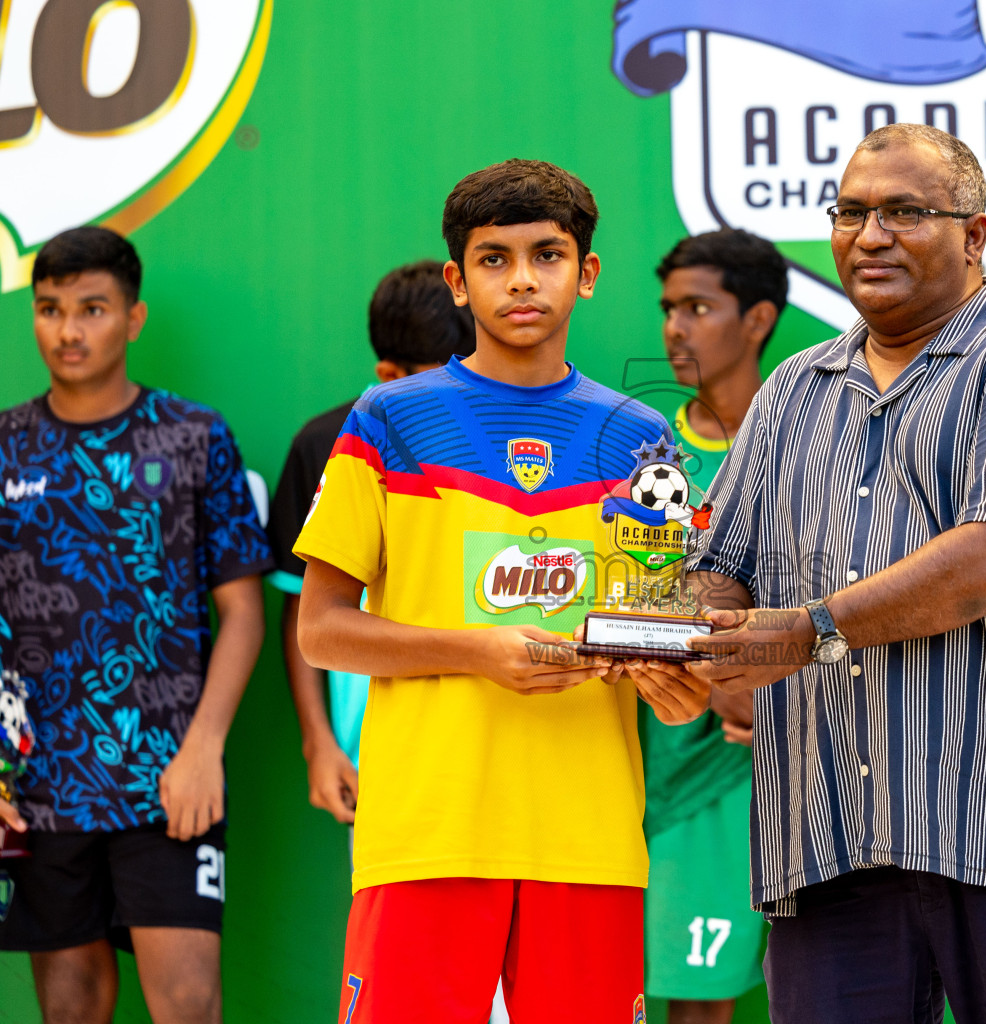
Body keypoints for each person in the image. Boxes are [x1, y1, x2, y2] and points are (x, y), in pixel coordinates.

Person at [674, 123, 986, 1022]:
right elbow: (715, 568)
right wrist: (693, 645)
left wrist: (804, 631)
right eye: (850, 212)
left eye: (904, 212)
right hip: (827, 846)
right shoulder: (795, 389)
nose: (869, 235)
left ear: (975, 234)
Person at [293, 159, 710, 1024]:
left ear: (586, 273)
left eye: (547, 255)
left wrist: (679, 682)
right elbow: (323, 631)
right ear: (458, 279)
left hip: (588, 841)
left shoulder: (639, 439)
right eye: (494, 259)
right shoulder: (386, 420)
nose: (522, 279)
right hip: (426, 836)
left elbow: (658, 648)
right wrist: (476, 652)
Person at [0, 226, 270, 1023]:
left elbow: (245, 612)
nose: (69, 329)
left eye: (92, 308)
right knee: (69, 1005)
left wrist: (204, 748)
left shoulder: (194, 437)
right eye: (50, 309)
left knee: (189, 1001)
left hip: (170, 781)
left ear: (134, 316)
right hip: (25, 787)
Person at [266, 260, 474, 826]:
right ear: (388, 373)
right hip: (376, 755)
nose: (463, 397)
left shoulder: (514, 450)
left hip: (492, 743)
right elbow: (302, 610)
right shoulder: (324, 446)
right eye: (440, 383)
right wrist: (320, 743)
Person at [639, 229, 786, 1023]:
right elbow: (615, 598)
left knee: (721, 1000)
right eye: (669, 309)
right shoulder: (641, 447)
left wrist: (772, 699)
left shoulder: (813, 440)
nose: (675, 328)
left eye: (699, 308)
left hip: (769, 767)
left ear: (757, 319)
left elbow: (857, 599)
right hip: (648, 759)